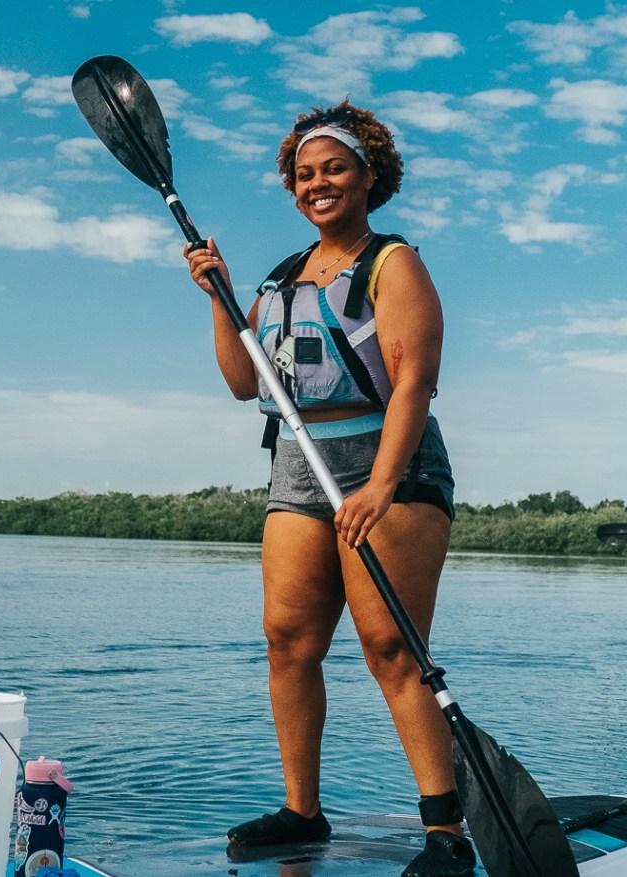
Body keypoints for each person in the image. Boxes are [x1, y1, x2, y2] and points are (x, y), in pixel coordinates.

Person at [183, 101, 471, 877]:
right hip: (297, 466)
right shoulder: (278, 281)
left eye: (334, 168)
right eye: (305, 174)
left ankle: (446, 832)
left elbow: (416, 380)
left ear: (369, 176)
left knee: (391, 648)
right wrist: (219, 295)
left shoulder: (394, 262)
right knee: (288, 641)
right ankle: (302, 810)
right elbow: (246, 383)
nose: (319, 183)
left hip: (390, 461)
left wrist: (380, 485)